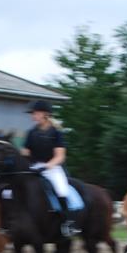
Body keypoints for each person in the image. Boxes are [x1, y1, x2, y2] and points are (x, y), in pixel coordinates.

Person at [22, 100, 78, 236]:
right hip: (34, 167)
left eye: (35, 113)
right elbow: (25, 152)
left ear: (45, 114)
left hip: (52, 167)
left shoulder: (56, 133)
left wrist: (46, 166)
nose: (32, 116)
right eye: (32, 113)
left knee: (62, 190)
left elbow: (60, 156)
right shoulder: (31, 132)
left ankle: (68, 223)